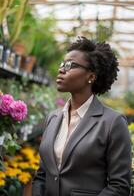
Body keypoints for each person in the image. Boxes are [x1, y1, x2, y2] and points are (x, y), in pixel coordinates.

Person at [32, 37, 131, 196]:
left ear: (91, 76)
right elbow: (42, 175)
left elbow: (119, 186)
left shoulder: (113, 122)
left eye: (70, 65)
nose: (62, 69)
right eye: (62, 64)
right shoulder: (53, 118)